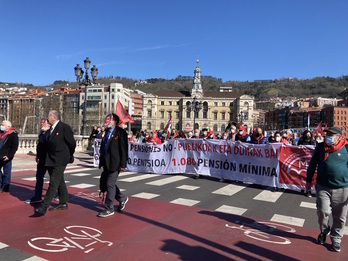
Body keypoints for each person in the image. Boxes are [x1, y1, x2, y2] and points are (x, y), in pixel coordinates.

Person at [306, 127, 348, 252]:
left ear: (339, 137)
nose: (328, 137)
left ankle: (336, 240)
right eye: (327, 134)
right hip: (323, 186)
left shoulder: (346, 148)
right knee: (323, 211)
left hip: (342, 188)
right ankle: (324, 230)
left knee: (340, 217)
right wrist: (308, 180)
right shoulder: (320, 147)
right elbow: (312, 164)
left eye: (331, 135)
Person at [34, 110, 76, 216]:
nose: (46, 119)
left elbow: (72, 143)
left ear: (54, 117)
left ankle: (44, 206)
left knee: (53, 183)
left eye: (48, 117)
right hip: (52, 159)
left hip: (60, 159)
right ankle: (63, 202)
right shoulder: (51, 129)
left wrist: (69, 155)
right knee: (60, 181)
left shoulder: (64, 127)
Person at [98, 113, 128, 218]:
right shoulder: (106, 132)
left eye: (108, 120)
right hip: (106, 162)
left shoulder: (121, 132)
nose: (106, 122)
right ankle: (122, 198)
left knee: (110, 184)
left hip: (115, 162)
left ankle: (109, 208)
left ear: (114, 121)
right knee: (107, 183)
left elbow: (124, 149)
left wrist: (123, 164)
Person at [26, 118, 50, 204]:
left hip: (50, 159)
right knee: (39, 177)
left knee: (54, 179)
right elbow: (39, 145)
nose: (42, 124)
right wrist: (37, 155)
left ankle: (60, 195)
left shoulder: (51, 133)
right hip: (42, 159)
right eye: (41, 122)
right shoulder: (41, 133)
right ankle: (37, 196)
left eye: (44, 122)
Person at [0, 120, 19, 192]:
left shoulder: (13, 135)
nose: (1, 126)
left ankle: (5, 187)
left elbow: (14, 147)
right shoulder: (1, 133)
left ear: (8, 127)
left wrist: (9, 156)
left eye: (3, 125)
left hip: (6, 156)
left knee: (7, 172)